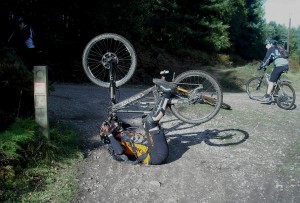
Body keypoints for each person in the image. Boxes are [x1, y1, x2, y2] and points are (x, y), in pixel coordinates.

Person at [99, 79, 176, 165]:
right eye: (110, 127)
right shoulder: (114, 148)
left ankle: (167, 99)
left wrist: (113, 119)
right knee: (149, 122)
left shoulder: (121, 134)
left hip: (153, 147)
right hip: (156, 155)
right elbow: (120, 151)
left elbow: (123, 125)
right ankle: (167, 93)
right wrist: (108, 134)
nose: (111, 126)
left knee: (145, 119)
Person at [258, 39, 289, 103]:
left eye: (267, 44)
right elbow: (271, 60)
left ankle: (267, 96)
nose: (266, 46)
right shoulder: (278, 48)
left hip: (279, 66)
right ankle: (275, 94)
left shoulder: (271, 49)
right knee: (276, 80)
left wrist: (261, 66)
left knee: (271, 81)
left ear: (271, 44)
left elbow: (266, 58)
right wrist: (267, 65)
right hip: (286, 65)